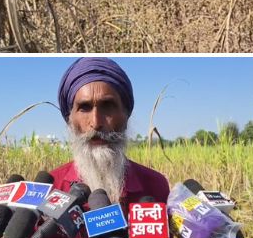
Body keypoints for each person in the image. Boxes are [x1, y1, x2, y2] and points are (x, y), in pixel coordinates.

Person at [49, 57, 170, 209]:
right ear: (70, 119)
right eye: (84, 107)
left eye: (107, 106)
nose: (96, 122)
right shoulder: (52, 188)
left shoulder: (155, 185)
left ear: (126, 116)